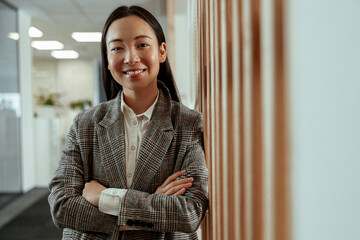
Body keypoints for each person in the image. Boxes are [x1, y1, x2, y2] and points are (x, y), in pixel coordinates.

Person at [48, 5, 208, 240]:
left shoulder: (189, 124)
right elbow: (61, 206)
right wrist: (154, 204)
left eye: (142, 45)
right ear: (107, 59)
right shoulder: (86, 124)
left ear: (162, 52)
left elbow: (189, 213)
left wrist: (106, 198)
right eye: (117, 48)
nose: (130, 57)